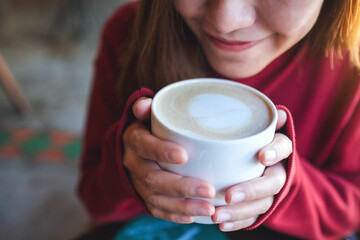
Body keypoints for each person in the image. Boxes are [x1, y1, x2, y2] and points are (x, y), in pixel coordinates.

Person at [77, 0, 360, 239]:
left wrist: (288, 187)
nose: (226, 21)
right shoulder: (129, 34)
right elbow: (94, 200)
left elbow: (351, 213)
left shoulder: (352, 72)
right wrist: (128, 167)